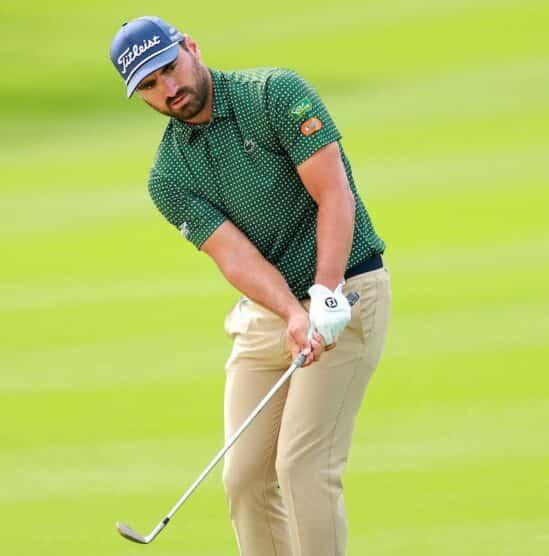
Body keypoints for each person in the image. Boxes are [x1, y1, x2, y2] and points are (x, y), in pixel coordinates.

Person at [109, 16, 391, 556]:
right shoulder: (168, 176)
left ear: (191, 47)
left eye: (170, 68)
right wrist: (290, 312)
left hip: (347, 290)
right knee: (243, 478)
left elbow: (335, 195)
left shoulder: (274, 95)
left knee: (303, 466)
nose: (168, 89)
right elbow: (234, 255)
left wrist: (324, 295)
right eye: (149, 85)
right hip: (271, 312)